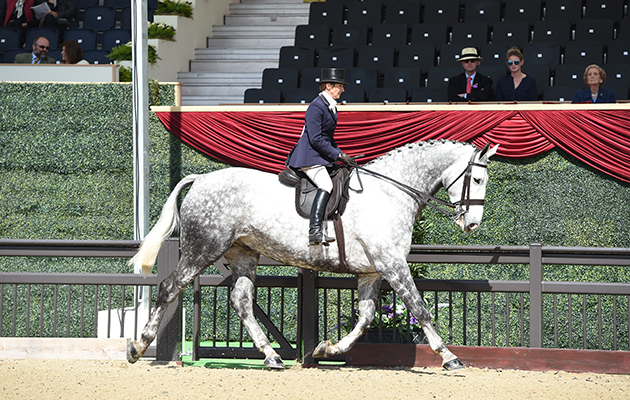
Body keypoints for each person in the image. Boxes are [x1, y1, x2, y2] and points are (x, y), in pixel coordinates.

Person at [287, 67, 353, 246]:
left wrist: (342, 156)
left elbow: (328, 138)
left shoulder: (329, 106)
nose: (343, 90)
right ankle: (315, 231)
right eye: (340, 86)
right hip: (309, 156)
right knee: (326, 184)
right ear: (329, 86)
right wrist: (337, 154)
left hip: (319, 155)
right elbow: (315, 139)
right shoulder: (316, 106)